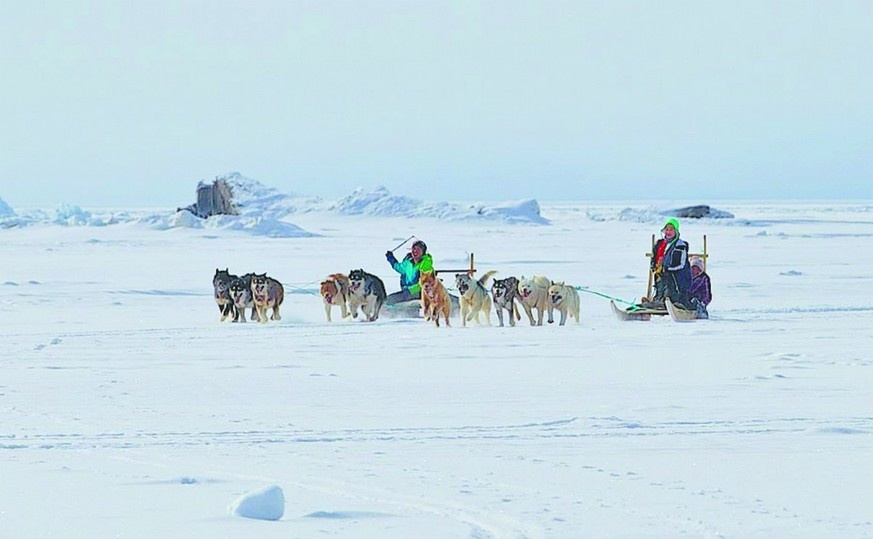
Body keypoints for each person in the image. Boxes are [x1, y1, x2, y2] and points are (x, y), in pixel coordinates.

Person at [642, 217, 692, 309]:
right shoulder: (659, 244)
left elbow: (681, 264)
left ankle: (671, 302)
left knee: (671, 291)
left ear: (676, 231)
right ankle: (658, 301)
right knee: (660, 288)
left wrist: (668, 269)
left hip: (677, 277)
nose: (668, 232)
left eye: (671, 229)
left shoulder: (680, 245)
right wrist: (654, 266)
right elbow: (654, 258)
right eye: (667, 229)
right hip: (661, 273)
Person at [385, 239, 434, 305]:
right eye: (413, 249)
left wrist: (410, 290)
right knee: (387, 300)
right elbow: (399, 268)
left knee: (390, 301)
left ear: (423, 252)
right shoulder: (409, 262)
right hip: (408, 292)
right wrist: (391, 259)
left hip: (420, 292)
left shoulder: (425, 264)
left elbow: (426, 283)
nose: (415, 251)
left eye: (418, 249)